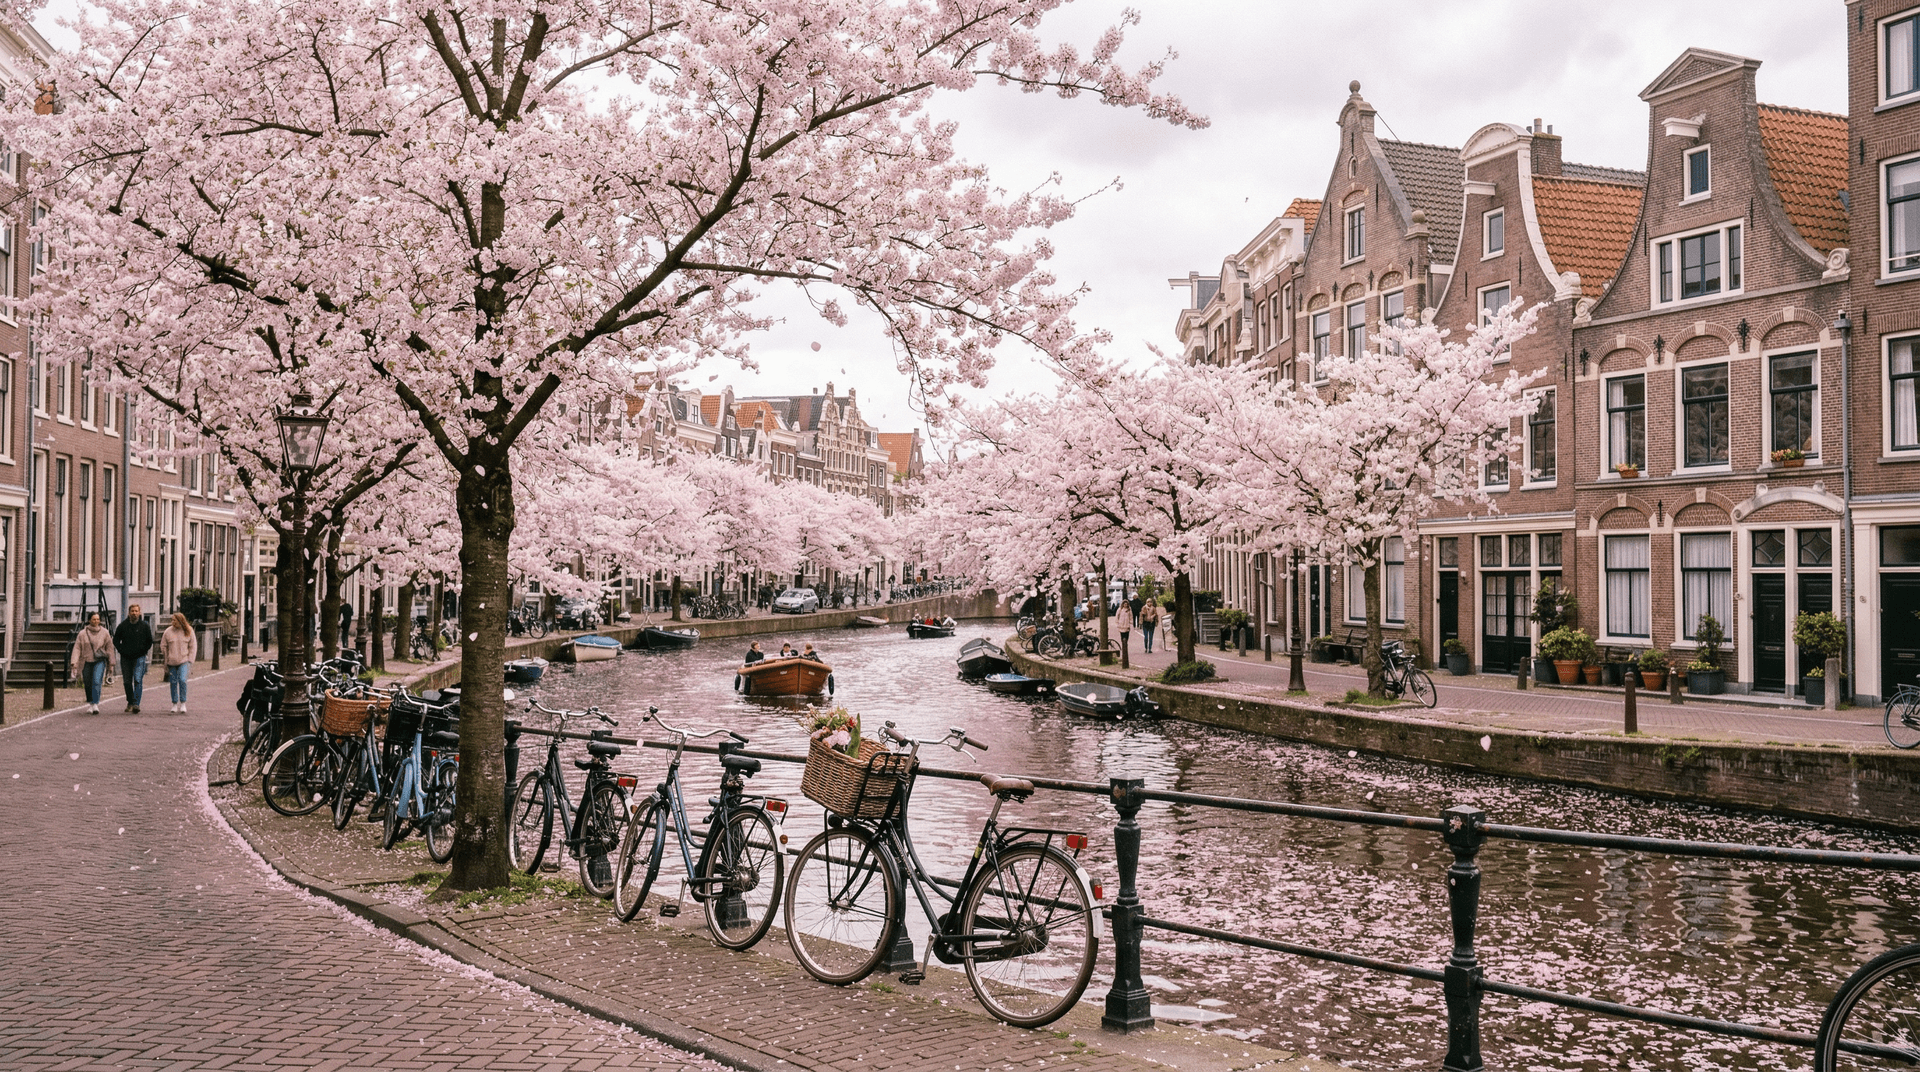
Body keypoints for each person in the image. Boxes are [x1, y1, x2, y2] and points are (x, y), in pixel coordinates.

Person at [114, 604, 155, 714]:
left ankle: (136, 703)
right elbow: (116, 640)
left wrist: (143, 651)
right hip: (126, 657)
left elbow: (149, 640)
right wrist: (121, 650)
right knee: (127, 681)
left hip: (139, 657)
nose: (134, 613)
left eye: (136, 611)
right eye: (132, 611)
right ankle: (130, 701)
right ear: (129, 612)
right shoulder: (123, 626)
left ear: (139, 612)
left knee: (137, 680)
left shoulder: (144, 626)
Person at [71, 613, 114, 714]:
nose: (96, 621)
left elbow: (110, 648)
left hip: (99, 660)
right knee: (87, 682)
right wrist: (74, 662)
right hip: (86, 661)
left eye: (98, 619)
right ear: (89, 620)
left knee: (96, 680)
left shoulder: (105, 632)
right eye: (94, 619)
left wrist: (111, 664)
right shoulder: (82, 633)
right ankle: (90, 702)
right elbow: (77, 648)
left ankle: (95, 703)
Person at [162, 612, 196, 714]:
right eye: (172, 620)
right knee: (173, 682)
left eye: (174, 620)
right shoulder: (168, 632)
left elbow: (193, 646)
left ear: (180, 621)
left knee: (182, 680)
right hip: (171, 661)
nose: (172, 622)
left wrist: (190, 660)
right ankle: (174, 703)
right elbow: (163, 645)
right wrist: (166, 658)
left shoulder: (188, 630)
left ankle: (183, 702)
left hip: (184, 660)